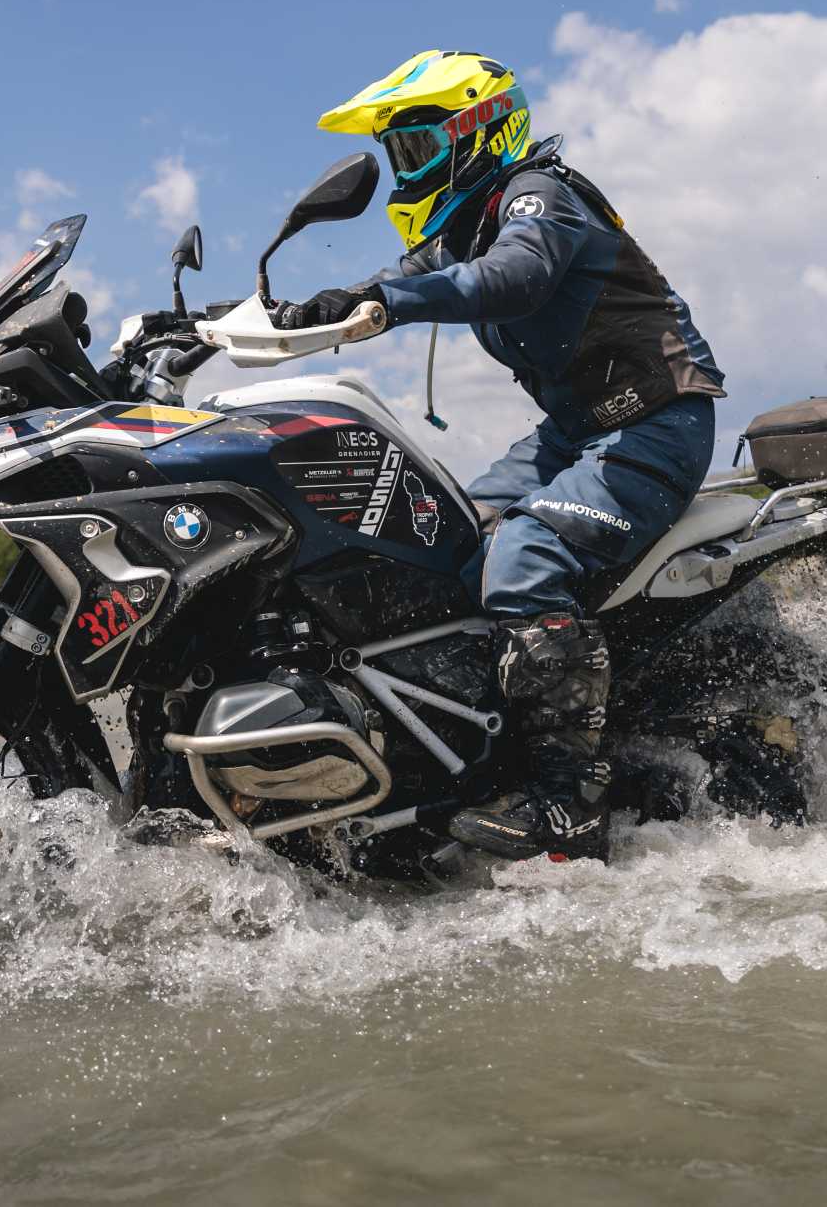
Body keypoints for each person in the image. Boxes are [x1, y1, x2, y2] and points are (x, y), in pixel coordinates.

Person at [277, 50, 725, 859]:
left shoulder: (539, 196)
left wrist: (384, 302)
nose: (407, 169)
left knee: (522, 556)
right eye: (398, 153)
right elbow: (383, 282)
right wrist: (250, 315)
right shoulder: (464, 228)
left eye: (418, 147)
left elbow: (516, 275)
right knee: (437, 534)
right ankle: (458, 767)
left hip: (656, 419)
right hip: (574, 431)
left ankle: (568, 802)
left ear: (479, 129)